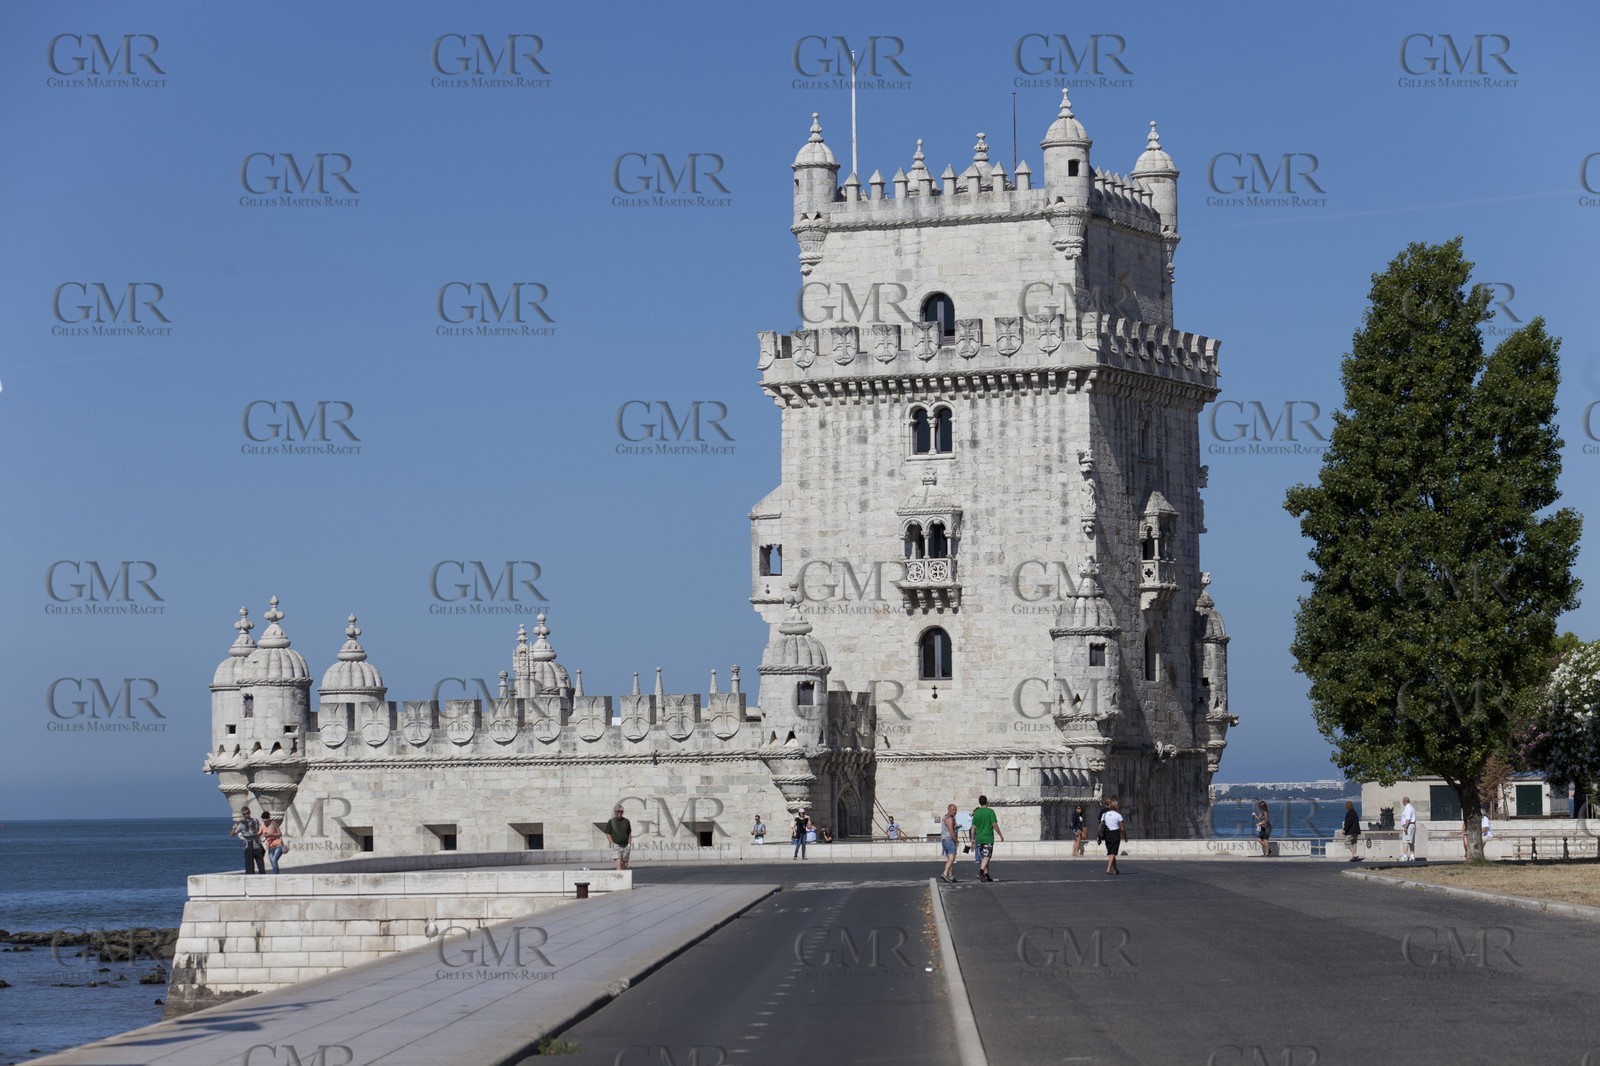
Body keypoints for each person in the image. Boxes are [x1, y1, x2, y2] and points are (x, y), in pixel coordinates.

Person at [971, 795, 1002, 882]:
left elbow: (973, 827)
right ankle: (981, 872)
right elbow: (994, 825)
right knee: (987, 855)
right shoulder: (990, 812)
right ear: (987, 801)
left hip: (979, 838)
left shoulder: (976, 813)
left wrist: (972, 838)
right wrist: (1000, 835)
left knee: (983, 857)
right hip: (988, 837)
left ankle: (986, 874)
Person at [230, 806, 265, 875]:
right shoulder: (241, 824)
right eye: (245, 814)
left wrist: (262, 841)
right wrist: (234, 828)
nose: (246, 815)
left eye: (247, 813)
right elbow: (232, 835)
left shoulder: (256, 821)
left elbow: (260, 832)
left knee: (261, 868)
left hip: (257, 847)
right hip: (247, 847)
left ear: (250, 812)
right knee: (249, 869)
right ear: (243, 815)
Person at [1100, 798, 1125, 875]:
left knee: (1111, 852)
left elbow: (1101, 825)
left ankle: (1116, 869)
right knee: (1113, 852)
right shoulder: (1118, 815)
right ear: (1116, 806)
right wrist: (1125, 835)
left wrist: (1098, 836)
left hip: (1107, 834)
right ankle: (1108, 869)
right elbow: (1122, 828)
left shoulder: (1105, 814)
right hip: (1115, 834)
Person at [938, 803, 960, 883]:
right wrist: (956, 841)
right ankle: (945, 873)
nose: (955, 811)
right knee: (951, 858)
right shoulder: (950, 819)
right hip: (949, 840)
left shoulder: (945, 818)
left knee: (949, 859)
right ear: (949, 810)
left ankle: (951, 876)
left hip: (944, 840)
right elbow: (951, 831)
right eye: (953, 810)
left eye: (956, 810)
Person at [606, 805, 632, 871]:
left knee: (625, 863)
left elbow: (629, 833)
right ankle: (619, 874)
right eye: (616, 811)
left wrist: (629, 844)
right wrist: (611, 843)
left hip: (625, 845)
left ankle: (624, 876)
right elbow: (608, 833)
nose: (617, 813)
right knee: (618, 861)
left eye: (619, 811)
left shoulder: (626, 821)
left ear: (622, 812)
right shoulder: (611, 821)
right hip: (616, 844)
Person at [1400, 796, 1418, 861]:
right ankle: (1412, 855)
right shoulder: (1412, 808)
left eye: (1402, 801)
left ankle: (1405, 856)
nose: (1402, 802)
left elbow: (1408, 819)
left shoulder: (1407, 808)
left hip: (1409, 825)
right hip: (1412, 825)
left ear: (1405, 801)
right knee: (1411, 841)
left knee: (1406, 841)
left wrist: (1406, 827)